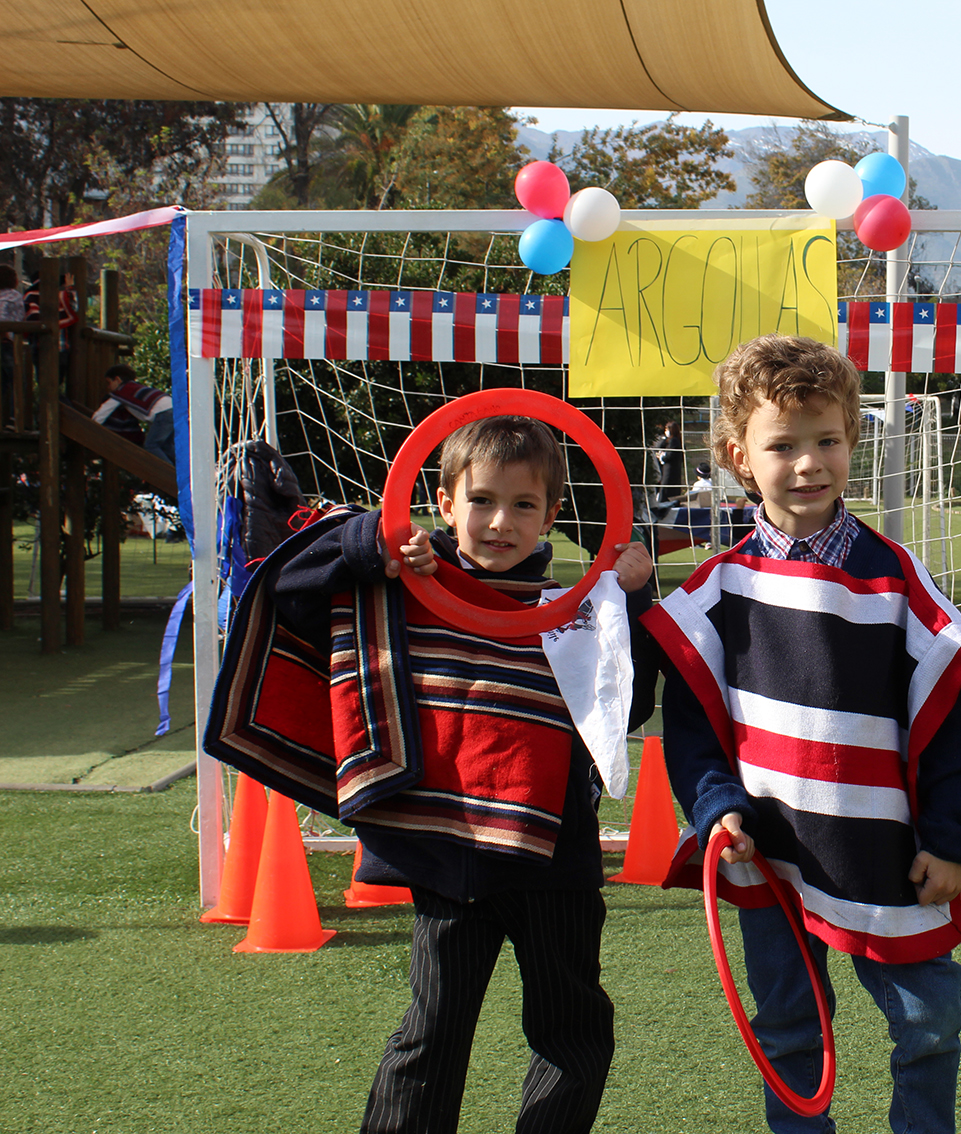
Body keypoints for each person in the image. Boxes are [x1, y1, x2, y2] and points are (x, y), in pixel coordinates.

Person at [204, 415, 658, 1133]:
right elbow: (290, 586)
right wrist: (372, 547)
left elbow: (626, 710)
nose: (500, 522)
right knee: (431, 1034)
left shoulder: (574, 614)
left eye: (523, 505)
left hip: (555, 860)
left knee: (571, 1030)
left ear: (552, 515)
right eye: (481, 500)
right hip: (449, 859)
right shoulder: (407, 588)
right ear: (444, 503)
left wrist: (630, 600)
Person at [644, 334, 961, 1134]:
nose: (809, 463)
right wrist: (716, 808)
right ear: (740, 458)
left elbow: (949, 718)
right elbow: (693, 732)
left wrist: (952, 840)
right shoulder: (716, 592)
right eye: (783, 446)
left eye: (828, 441)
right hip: (771, 850)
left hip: (889, 851)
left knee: (929, 1021)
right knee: (787, 1029)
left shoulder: (895, 582)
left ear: (852, 442)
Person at [92, 364, 176, 466]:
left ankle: (169, 473)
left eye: (109, 383)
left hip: (163, 413)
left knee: (151, 446)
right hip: (174, 408)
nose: (109, 387)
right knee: (167, 446)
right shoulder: (136, 388)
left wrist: (92, 426)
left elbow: (103, 412)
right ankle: (182, 470)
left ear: (117, 380)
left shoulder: (122, 392)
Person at [0, 264, 23, 426]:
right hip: (6, 342)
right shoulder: (13, 295)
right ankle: (14, 418)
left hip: (5, 340)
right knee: (14, 380)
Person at [654, 418, 685, 505]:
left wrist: (662, 457)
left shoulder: (673, 441)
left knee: (666, 486)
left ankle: (664, 502)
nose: (665, 432)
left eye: (667, 430)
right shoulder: (675, 440)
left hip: (670, 469)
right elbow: (659, 446)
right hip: (673, 469)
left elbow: (671, 454)